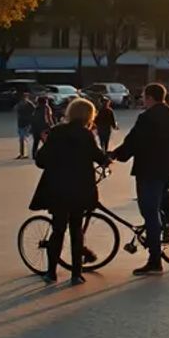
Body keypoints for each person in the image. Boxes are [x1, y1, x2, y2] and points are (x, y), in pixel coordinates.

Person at [30, 98, 111, 285]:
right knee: (76, 230)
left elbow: (41, 161)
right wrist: (108, 160)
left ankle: (51, 273)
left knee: (58, 230)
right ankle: (76, 274)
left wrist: (45, 143)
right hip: (81, 190)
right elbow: (100, 158)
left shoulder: (57, 132)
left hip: (58, 189)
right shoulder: (86, 135)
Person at [111, 83, 169, 275]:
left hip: (148, 171)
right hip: (167, 170)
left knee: (150, 213)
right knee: (160, 202)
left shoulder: (146, 118)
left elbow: (133, 141)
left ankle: (155, 260)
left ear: (151, 97)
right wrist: (168, 156)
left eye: (144, 97)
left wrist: (115, 155)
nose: (143, 100)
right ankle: (167, 229)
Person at [15, 92, 36, 159]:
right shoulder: (20, 104)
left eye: (25, 97)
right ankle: (22, 154)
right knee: (22, 139)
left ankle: (24, 154)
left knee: (23, 139)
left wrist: (30, 119)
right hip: (21, 123)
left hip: (26, 123)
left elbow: (34, 111)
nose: (24, 99)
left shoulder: (29, 104)